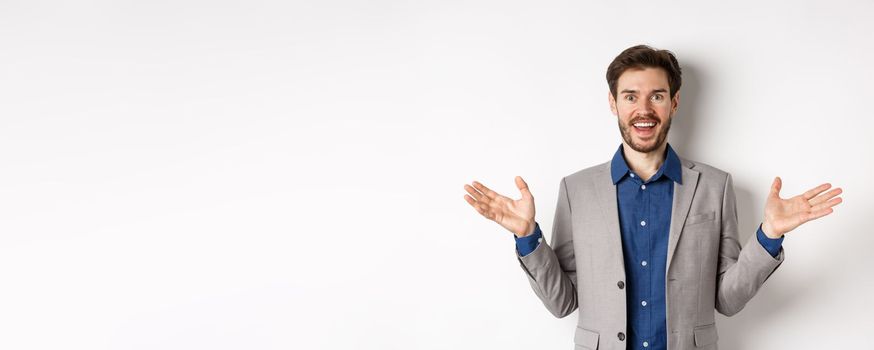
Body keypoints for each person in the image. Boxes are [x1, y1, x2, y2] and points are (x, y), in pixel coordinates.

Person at [462, 45, 843, 350]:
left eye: (656, 96)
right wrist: (528, 237)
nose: (643, 110)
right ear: (613, 104)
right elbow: (563, 302)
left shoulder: (715, 185)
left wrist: (769, 235)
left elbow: (727, 300)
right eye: (630, 97)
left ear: (674, 103)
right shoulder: (576, 190)